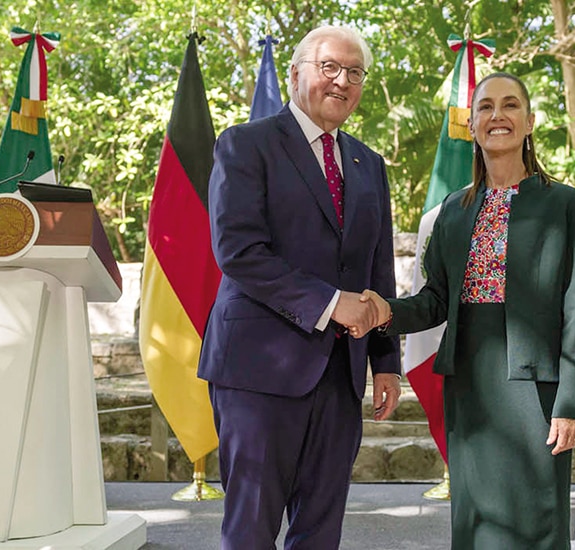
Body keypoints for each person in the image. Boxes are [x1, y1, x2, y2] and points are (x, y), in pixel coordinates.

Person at [360, 72, 575, 549]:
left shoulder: (566, 204)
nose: (497, 115)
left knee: (538, 521)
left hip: (538, 388)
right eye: (485, 107)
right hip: (469, 383)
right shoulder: (453, 210)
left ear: (529, 122)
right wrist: (384, 311)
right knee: (476, 521)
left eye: (510, 106)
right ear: (472, 124)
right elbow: (436, 301)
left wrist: (571, 403)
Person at [197, 25, 401, 549]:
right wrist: (332, 304)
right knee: (251, 528)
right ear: (295, 73)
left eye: (354, 73)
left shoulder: (370, 165)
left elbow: (377, 275)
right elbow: (239, 251)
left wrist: (386, 364)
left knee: (321, 529)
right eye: (329, 67)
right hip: (258, 372)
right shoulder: (244, 145)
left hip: (341, 376)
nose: (342, 81)